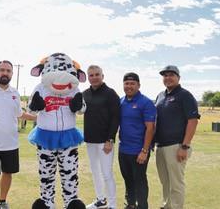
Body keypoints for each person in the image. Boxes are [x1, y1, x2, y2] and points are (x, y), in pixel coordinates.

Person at [0, 60, 36, 209]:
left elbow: (19, 114)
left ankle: (2, 201)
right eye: (2, 70)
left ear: (12, 74)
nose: (5, 73)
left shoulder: (15, 93)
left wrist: (39, 117)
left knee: (8, 173)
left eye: (8, 71)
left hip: (11, 144)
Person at [155, 65, 200, 209]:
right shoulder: (160, 95)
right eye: (165, 75)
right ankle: (167, 205)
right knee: (165, 181)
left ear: (178, 78)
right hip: (160, 146)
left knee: (176, 182)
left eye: (171, 75)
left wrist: (184, 146)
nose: (168, 78)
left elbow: (192, 121)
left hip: (177, 146)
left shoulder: (185, 95)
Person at [83, 65, 120, 209]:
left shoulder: (110, 94)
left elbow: (116, 118)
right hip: (90, 141)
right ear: (88, 77)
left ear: (102, 76)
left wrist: (110, 139)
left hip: (105, 142)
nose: (94, 77)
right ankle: (101, 200)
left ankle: (112, 205)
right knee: (95, 172)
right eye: (91, 75)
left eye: (97, 74)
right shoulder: (85, 93)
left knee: (106, 174)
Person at [118, 73, 156, 209]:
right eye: (126, 83)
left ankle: (142, 206)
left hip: (139, 151)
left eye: (132, 83)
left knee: (139, 181)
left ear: (138, 85)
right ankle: (130, 204)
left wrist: (145, 151)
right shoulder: (121, 101)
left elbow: (150, 128)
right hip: (123, 150)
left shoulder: (146, 102)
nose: (129, 86)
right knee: (128, 180)